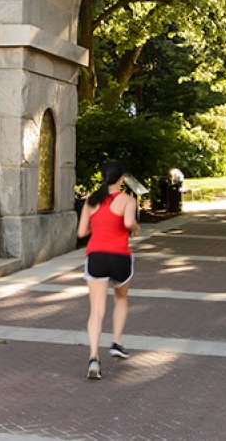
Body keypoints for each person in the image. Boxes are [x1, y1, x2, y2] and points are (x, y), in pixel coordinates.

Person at [76, 161, 140, 380]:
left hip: (96, 257)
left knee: (96, 310)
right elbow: (129, 222)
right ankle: (117, 342)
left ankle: (94, 357)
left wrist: (98, 225)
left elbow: (81, 232)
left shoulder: (91, 201)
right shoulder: (127, 200)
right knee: (121, 299)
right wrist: (134, 228)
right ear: (121, 179)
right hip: (120, 256)